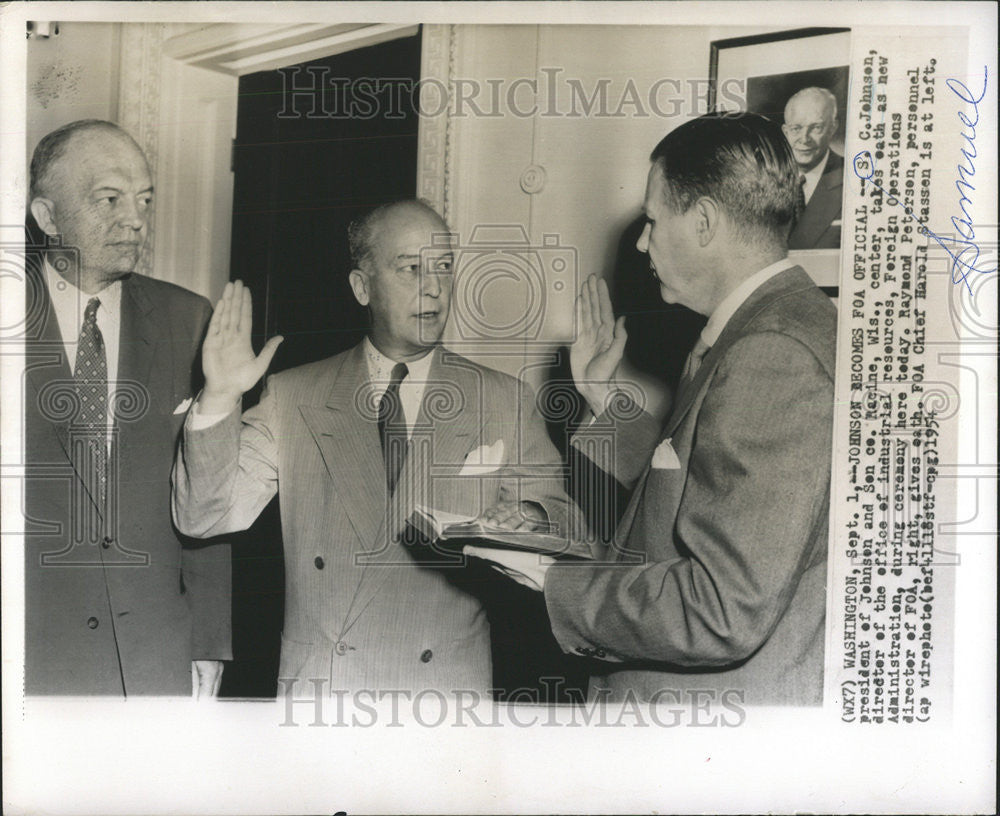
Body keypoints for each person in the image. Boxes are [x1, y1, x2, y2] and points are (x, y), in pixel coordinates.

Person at [471, 112, 836, 706]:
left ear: (705, 222)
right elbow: (699, 480)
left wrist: (551, 579)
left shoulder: (772, 352)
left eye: (652, 220)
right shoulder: (777, 324)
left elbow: (722, 607)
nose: (641, 242)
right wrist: (603, 398)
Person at [172, 199, 581, 695]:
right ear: (361, 287)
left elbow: (567, 523)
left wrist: (532, 515)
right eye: (410, 269)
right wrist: (220, 395)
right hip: (325, 698)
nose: (433, 287)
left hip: (443, 701)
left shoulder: (502, 398)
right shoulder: (294, 395)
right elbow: (202, 516)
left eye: (444, 267)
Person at [23, 120, 231, 696]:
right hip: (29, 651)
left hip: (153, 653)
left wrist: (208, 638)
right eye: (109, 199)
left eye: (143, 199)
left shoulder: (188, 320)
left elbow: (207, 491)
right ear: (47, 216)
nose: (136, 219)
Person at [783, 86, 844, 249]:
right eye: (796, 128)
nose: (804, 139)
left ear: (832, 128)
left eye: (816, 128)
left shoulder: (855, 180)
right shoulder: (765, 179)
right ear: (786, 131)